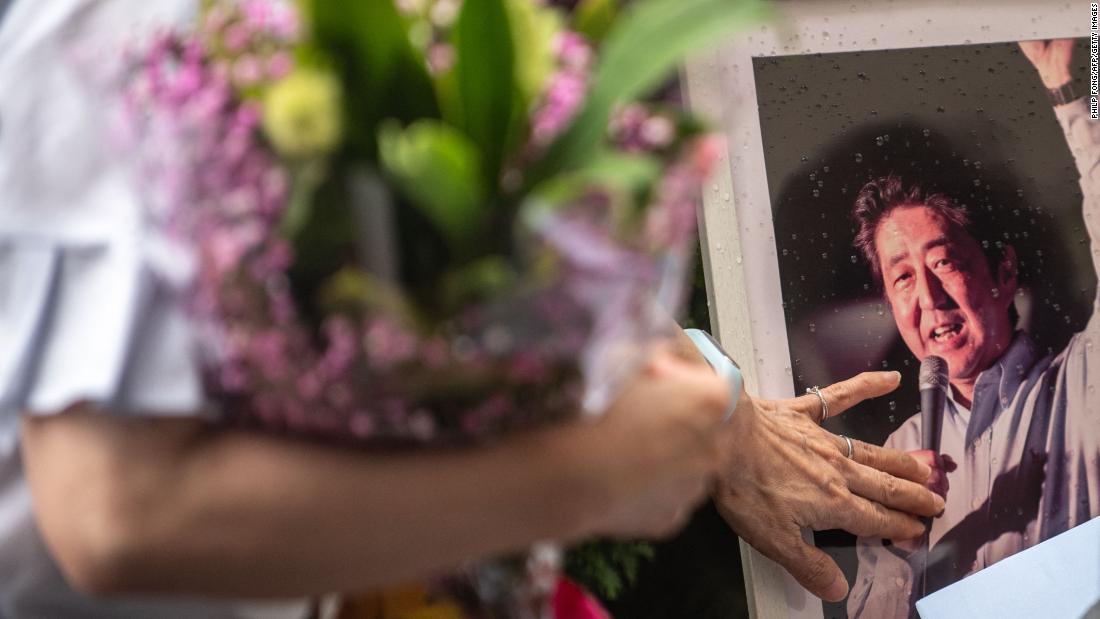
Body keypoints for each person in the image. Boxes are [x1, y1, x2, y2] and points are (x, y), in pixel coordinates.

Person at [0, 2, 942, 617]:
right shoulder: (131, 25)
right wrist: (595, 469)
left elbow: (410, 258)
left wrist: (699, 384)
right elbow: (116, 513)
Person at [846, 38, 1100, 618]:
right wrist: (901, 547)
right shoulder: (896, 455)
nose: (929, 298)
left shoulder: (1085, 382)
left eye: (944, 262)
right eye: (903, 278)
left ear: (1003, 272)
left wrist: (1072, 88)